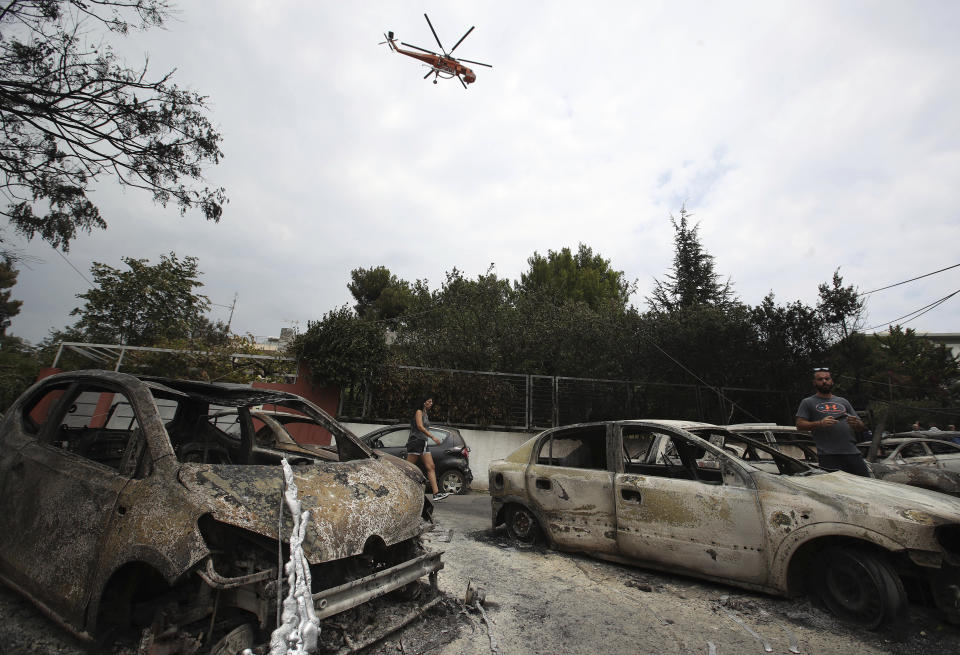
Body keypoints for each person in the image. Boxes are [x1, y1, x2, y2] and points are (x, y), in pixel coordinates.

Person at [795, 368, 870, 476]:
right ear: (814, 383)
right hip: (829, 456)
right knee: (837, 490)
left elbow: (862, 426)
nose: (824, 381)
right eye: (820, 379)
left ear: (832, 381)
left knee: (865, 486)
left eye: (827, 378)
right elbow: (799, 425)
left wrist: (857, 424)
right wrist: (820, 423)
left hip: (852, 453)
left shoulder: (843, 401)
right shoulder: (808, 402)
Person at [406, 396, 450, 501]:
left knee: (431, 466)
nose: (431, 403)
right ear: (424, 402)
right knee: (407, 468)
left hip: (423, 443)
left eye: (432, 401)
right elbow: (420, 426)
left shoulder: (425, 414)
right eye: (429, 401)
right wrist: (432, 437)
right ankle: (399, 487)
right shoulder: (419, 412)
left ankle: (436, 493)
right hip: (416, 442)